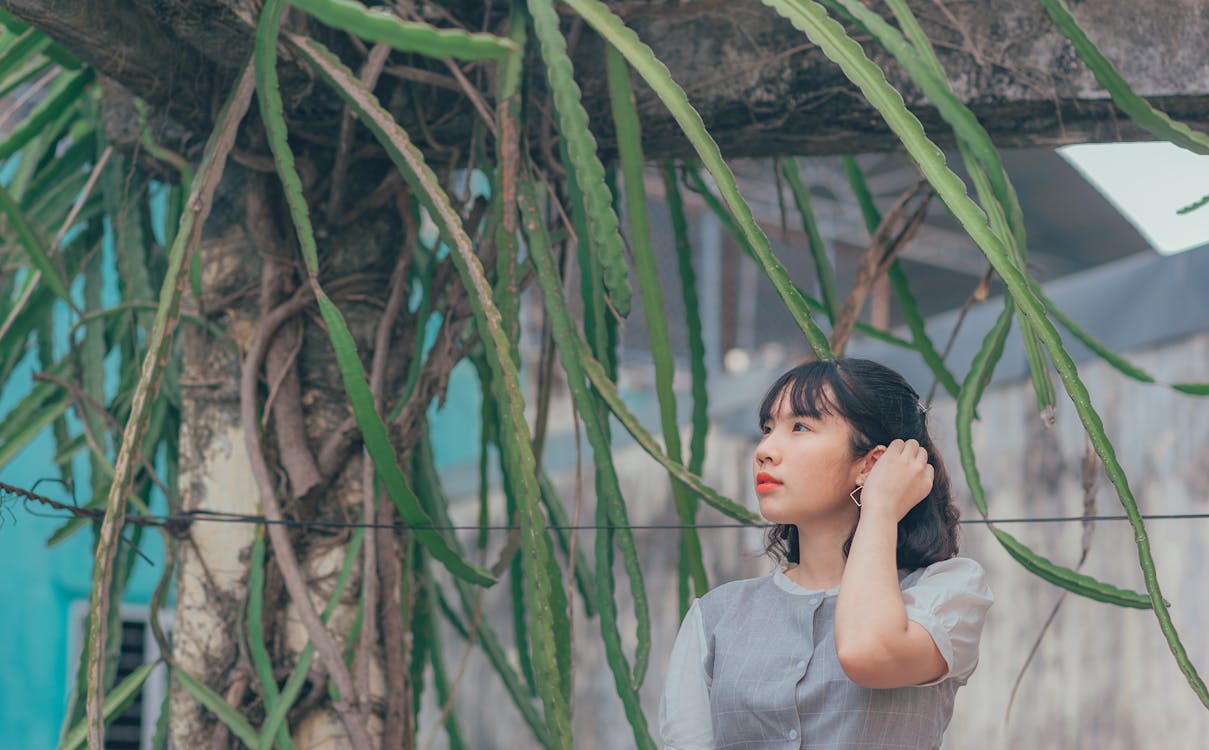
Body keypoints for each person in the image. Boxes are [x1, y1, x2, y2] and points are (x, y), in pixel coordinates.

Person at [659, 358, 993, 749]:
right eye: (767, 429)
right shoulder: (715, 617)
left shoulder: (946, 594)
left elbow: (867, 651)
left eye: (801, 427)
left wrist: (881, 507)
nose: (765, 449)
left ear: (872, 464)